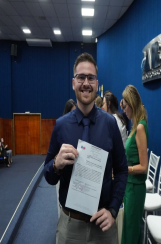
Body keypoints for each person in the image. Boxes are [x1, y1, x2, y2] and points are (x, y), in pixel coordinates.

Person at [44, 52, 128, 244]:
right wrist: (56, 164)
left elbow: (122, 170)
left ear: (96, 84)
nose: (86, 83)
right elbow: (48, 176)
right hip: (70, 226)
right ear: (73, 83)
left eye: (91, 78)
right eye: (81, 77)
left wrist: (114, 209)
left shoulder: (110, 124)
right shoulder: (61, 125)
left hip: (103, 226)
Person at [121, 85, 149, 244]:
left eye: (125, 105)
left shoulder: (139, 127)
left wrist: (126, 169)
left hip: (135, 187)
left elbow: (144, 167)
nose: (123, 109)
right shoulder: (137, 123)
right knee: (130, 229)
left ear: (131, 104)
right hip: (130, 185)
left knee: (131, 232)